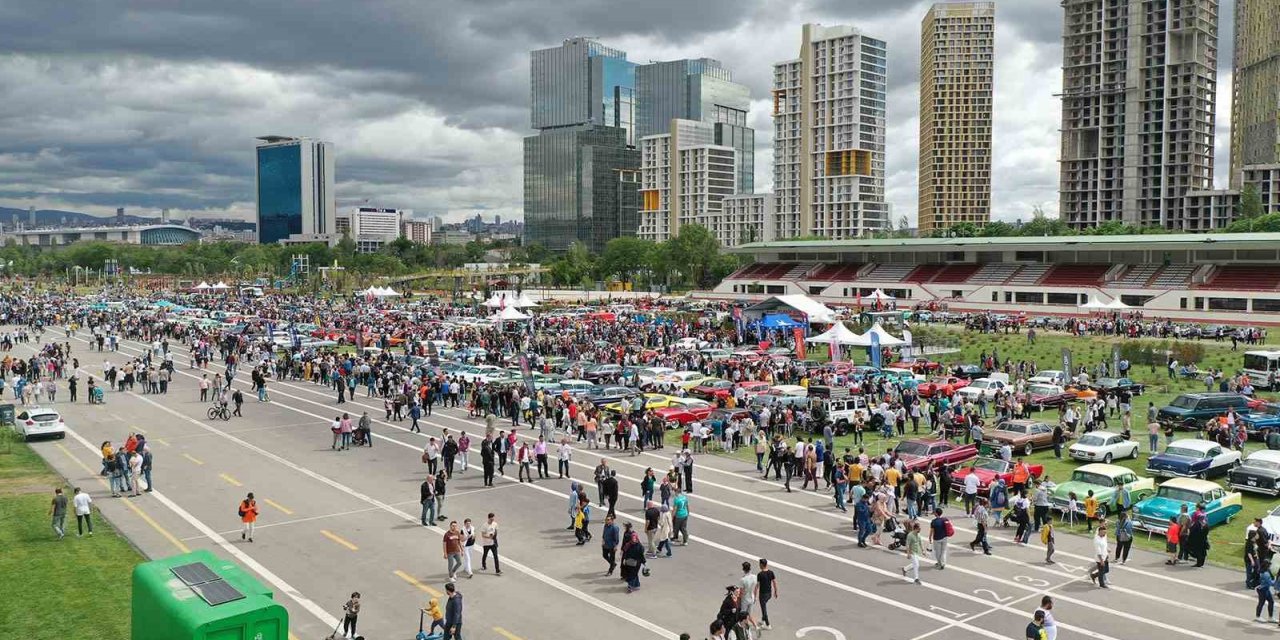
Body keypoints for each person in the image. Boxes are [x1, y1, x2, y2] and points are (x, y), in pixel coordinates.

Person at [621, 527, 647, 592]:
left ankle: (630, 586)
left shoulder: (640, 546)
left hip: (637, 563)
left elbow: (641, 555)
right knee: (633, 574)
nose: (634, 539)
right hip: (629, 562)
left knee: (632, 575)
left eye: (635, 538)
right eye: (633, 538)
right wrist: (624, 560)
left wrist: (644, 562)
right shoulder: (628, 545)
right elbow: (625, 553)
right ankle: (637, 584)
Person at [755, 558, 777, 631]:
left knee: (764, 609)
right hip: (769, 594)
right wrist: (775, 592)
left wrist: (754, 595)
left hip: (762, 595)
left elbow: (757, 586)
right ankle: (763, 620)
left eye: (759, 564)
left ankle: (768, 625)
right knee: (763, 607)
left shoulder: (760, 574)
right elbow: (774, 582)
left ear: (761, 565)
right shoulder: (771, 572)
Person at [901, 521, 923, 585]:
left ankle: (905, 569)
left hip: (917, 551)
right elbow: (907, 544)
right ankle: (916, 578)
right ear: (916, 528)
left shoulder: (918, 534)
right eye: (919, 529)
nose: (920, 530)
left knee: (914, 564)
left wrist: (923, 550)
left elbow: (920, 542)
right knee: (917, 565)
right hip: (912, 552)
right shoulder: (910, 535)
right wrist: (908, 553)